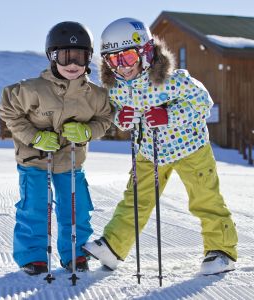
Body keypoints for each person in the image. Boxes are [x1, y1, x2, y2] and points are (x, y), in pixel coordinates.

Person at [82, 17, 238, 275]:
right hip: (149, 152)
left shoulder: (175, 80)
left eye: (128, 58)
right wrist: (122, 119)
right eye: (114, 60)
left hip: (191, 148)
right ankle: (113, 246)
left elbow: (203, 103)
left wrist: (169, 115)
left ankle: (221, 251)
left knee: (205, 199)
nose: (122, 67)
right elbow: (119, 115)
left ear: (145, 52)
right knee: (135, 200)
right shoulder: (117, 90)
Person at [0, 21, 112, 275]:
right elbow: (8, 110)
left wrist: (88, 131)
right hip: (35, 159)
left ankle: (76, 253)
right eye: (65, 56)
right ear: (52, 56)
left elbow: (105, 119)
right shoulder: (31, 89)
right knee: (35, 205)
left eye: (79, 57)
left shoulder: (95, 95)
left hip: (71, 160)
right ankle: (33, 256)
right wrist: (35, 137)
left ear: (88, 58)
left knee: (76, 207)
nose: (72, 63)